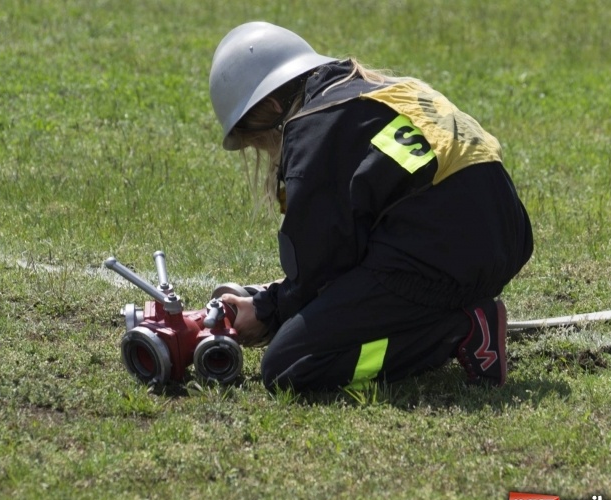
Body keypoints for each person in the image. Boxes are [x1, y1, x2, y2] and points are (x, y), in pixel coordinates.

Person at [209, 22, 533, 393]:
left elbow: (321, 265)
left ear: (270, 108)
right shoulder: (372, 92)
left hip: (439, 258)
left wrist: (268, 312)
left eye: (257, 141)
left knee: (289, 366)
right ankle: (455, 309)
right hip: (505, 242)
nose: (265, 153)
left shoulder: (313, 127)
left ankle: (460, 330)